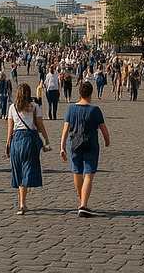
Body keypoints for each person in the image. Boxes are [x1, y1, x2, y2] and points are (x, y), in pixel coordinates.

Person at [60, 81, 110, 217]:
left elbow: (65, 129)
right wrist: (107, 140)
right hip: (91, 145)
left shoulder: (71, 109)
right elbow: (103, 129)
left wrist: (62, 147)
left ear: (79, 93)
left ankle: (81, 201)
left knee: (77, 172)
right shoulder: (95, 110)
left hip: (74, 144)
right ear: (91, 93)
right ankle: (83, 204)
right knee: (88, 174)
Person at [6, 82, 50, 215]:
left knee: (18, 170)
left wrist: (8, 144)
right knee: (26, 169)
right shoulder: (35, 106)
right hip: (29, 139)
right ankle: (22, 203)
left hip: (16, 140)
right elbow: (40, 125)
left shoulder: (12, 108)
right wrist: (46, 140)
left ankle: (21, 203)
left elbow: (10, 128)